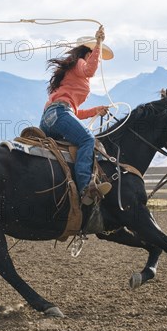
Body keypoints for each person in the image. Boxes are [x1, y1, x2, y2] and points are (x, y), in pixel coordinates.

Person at [39, 25, 114, 205]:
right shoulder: (81, 64)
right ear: (87, 54)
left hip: (50, 118)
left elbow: (74, 112)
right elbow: (90, 70)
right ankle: (85, 186)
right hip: (60, 113)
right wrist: (98, 43)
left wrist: (95, 111)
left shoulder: (71, 74)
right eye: (94, 56)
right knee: (87, 139)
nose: (97, 61)